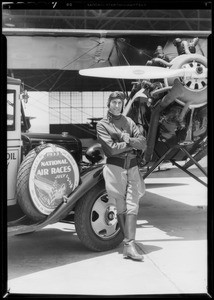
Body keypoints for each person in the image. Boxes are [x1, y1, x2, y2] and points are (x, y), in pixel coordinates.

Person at [96, 91, 147, 261]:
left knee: (133, 204)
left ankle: (129, 244)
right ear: (108, 104)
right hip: (115, 168)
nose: (117, 105)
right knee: (120, 204)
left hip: (132, 167)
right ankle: (128, 245)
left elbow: (143, 144)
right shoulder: (102, 125)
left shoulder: (129, 122)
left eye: (120, 102)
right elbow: (111, 149)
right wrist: (130, 144)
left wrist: (127, 140)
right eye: (114, 102)